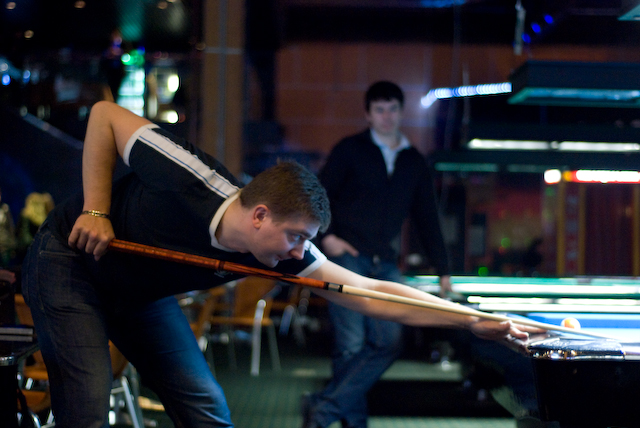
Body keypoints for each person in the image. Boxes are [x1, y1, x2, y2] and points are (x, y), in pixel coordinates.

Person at [22, 100, 536, 428]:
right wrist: (96, 210)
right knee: (88, 406)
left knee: (206, 409)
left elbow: (374, 293)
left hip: (138, 294)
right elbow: (103, 116)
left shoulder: (285, 250)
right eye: (296, 237)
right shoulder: (190, 176)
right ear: (260, 215)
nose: (298, 252)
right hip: (70, 262)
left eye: (305, 242)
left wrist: (471, 320)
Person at [303, 81, 453, 428]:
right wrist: (327, 238)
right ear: (368, 114)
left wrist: (443, 269)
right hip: (345, 257)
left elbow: (427, 218)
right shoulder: (349, 149)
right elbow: (317, 196)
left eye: (393, 109)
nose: (387, 116)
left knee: (390, 340)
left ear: (401, 112)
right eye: (380, 109)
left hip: (384, 262)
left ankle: (323, 408)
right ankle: (349, 422)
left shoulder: (414, 161)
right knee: (351, 345)